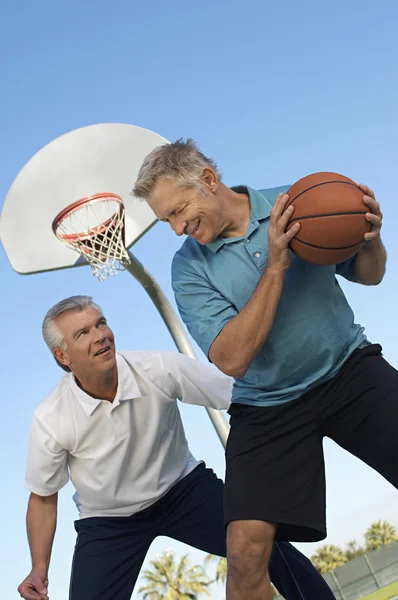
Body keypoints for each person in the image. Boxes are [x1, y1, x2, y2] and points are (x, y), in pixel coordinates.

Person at [133, 138, 397, 600]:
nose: (176, 229)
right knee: (246, 550)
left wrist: (370, 237)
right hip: (268, 405)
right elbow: (232, 358)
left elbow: (370, 274)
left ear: (209, 181)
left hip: (348, 369)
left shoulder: (297, 204)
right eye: (166, 221)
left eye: (178, 211)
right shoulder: (187, 270)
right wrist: (275, 265)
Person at [18, 295, 336, 600]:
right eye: (83, 333)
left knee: (271, 549)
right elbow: (43, 499)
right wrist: (39, 568)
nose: (100, 336)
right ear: (63, 356)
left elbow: (241, 398)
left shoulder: (158, 368)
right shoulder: (51, 418)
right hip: (109, 521)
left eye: (101, 324)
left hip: (185, 491)